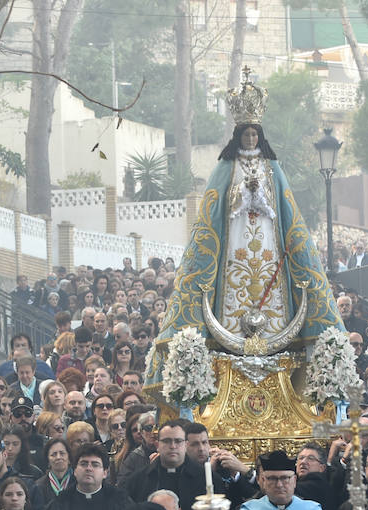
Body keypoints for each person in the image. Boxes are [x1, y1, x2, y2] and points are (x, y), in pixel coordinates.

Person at [144, 83, 338, 391]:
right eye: (246, 134)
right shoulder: (226, 167)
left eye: (254, 134)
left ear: (260, 136)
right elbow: (216, 211)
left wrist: (260, 195)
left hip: (269, 242)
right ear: (238, 137)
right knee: (233, 280)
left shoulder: (272, 167)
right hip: (234, 242)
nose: (251, 139)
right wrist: (240, 193)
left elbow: (284, 207)